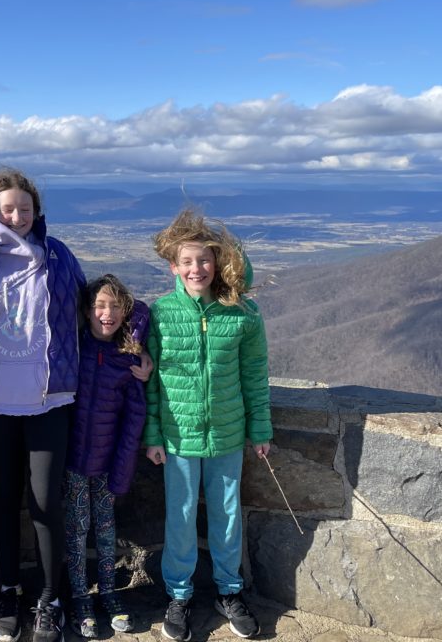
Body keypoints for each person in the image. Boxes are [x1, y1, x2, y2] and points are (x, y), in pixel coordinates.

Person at [0, 169, 85, 642]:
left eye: (25, 207)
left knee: (47, 503)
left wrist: (136, 329)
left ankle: (50, 600)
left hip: (52, 401)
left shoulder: (59, 257)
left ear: (36, 210)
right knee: (4, 500)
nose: (18, 216)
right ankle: (9, 591)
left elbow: (92, 309)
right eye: (8, 208)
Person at [143, 208, 271, 642]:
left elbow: (254, 374)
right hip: (178, 437)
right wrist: (153, 434)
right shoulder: (160, 314)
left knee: (227, 514)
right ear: (174, 266)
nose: (196, 269)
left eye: (204, 260)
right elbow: (153, 382)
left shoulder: (242, 314)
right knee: (179, 518)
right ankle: (178, 596)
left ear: (217, 264)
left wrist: (261, 429)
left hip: (229, 433)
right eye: (187, 261)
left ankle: (228, 591)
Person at [65, 274, 149, 639]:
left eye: (115, 306)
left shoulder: (128, 359)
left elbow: (134, 420)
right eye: (99, 305)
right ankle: (81, 597)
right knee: (76, 529)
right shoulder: (74, 348)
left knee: (105, 528)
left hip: (107, 463)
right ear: (86, 311)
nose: (107, 313)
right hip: (72, 463)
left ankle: (110, 593)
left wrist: (122, 471)